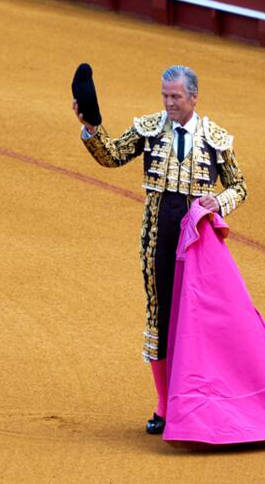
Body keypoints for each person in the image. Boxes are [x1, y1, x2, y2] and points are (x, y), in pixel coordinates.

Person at [74, 65, 247, 434]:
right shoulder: (149, 130)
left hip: (199, 242)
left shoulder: (215, 138)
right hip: (156, 236)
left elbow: (240, 186)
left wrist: (219, 202)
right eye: (165, 96)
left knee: (200, 317)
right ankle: (165, 405)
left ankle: (207, 399)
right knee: (161, 315)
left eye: (176, 97)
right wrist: (90, 126)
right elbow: (111, 155)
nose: (169, 103)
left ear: (194, 96)